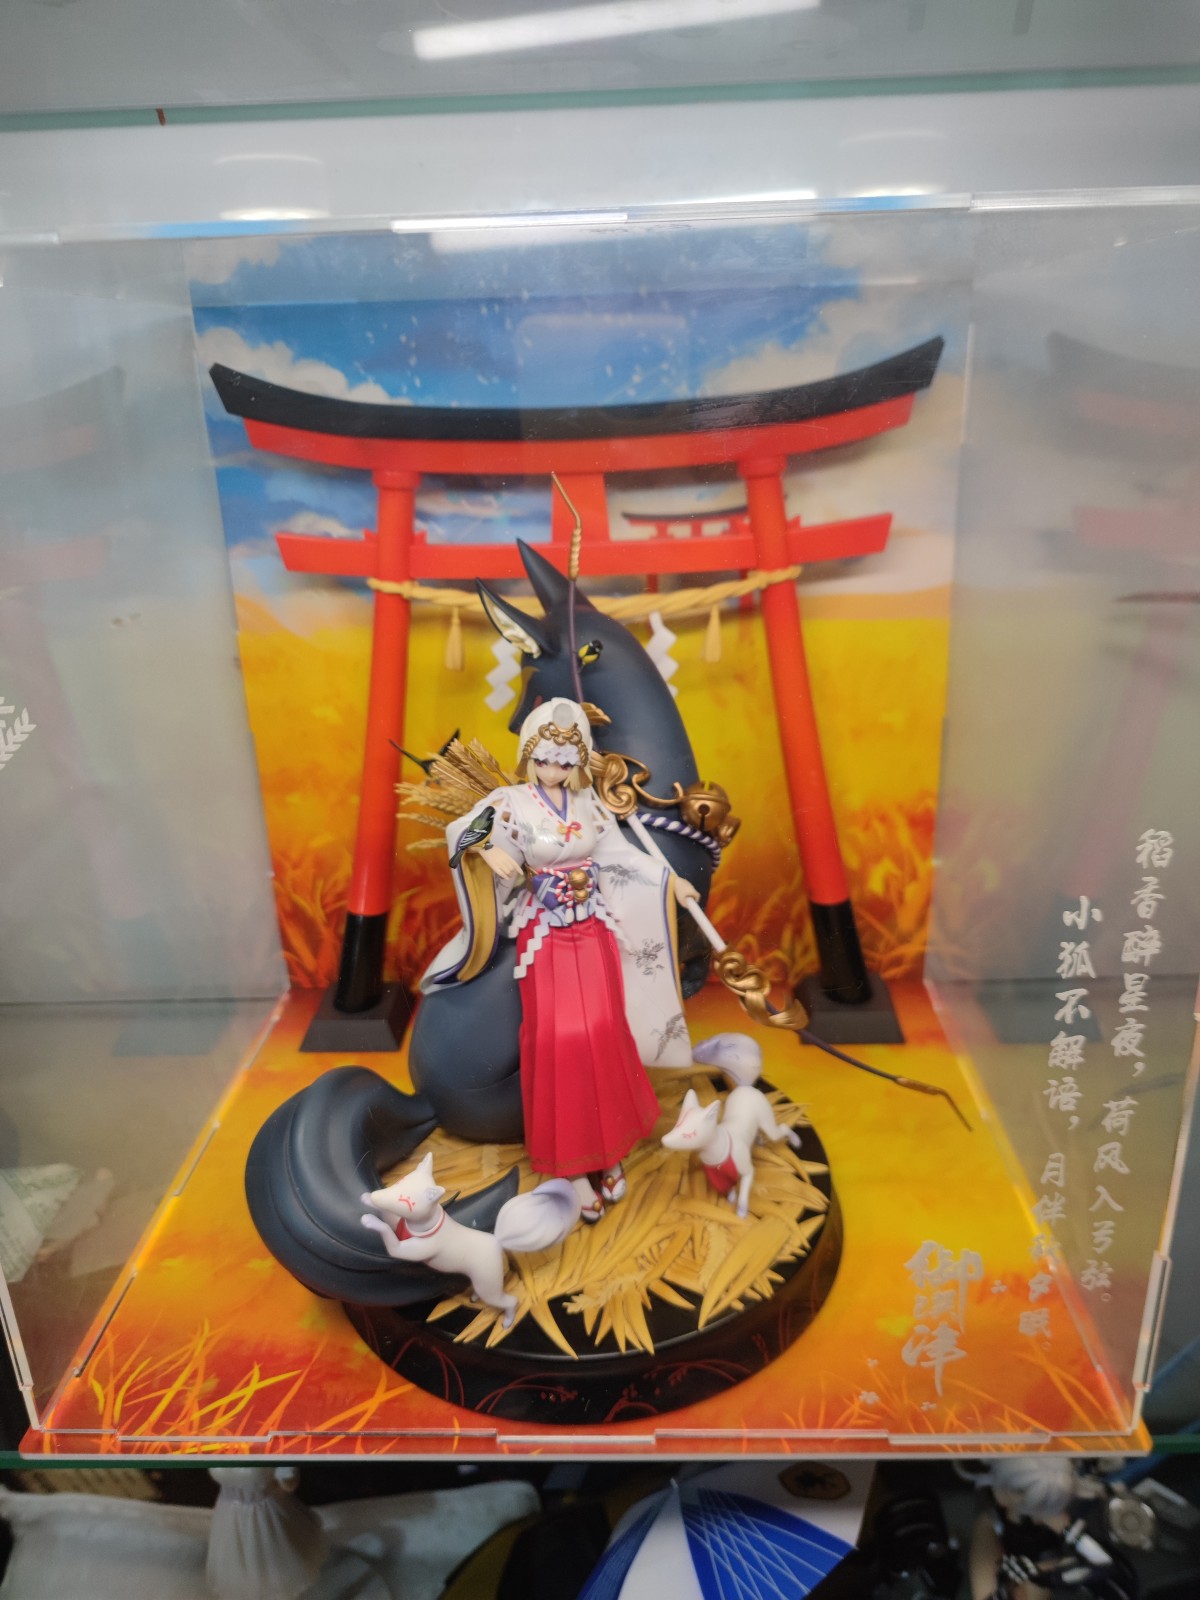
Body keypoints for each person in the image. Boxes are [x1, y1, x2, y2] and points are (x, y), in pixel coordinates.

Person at [422, 698, 699, 1222]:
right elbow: (461, 833)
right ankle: (571, 1165)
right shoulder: (510, 802)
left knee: (603, 1033)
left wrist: (672, 883)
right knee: (561, 1040)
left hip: (593, 928)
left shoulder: (589, 805)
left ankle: (609, 1150)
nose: (554, 769)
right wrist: (488, 851)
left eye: (566, 760)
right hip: (545, 935)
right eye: (545, 758)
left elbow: (621, 855)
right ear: (530, 755)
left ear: (579, 761)